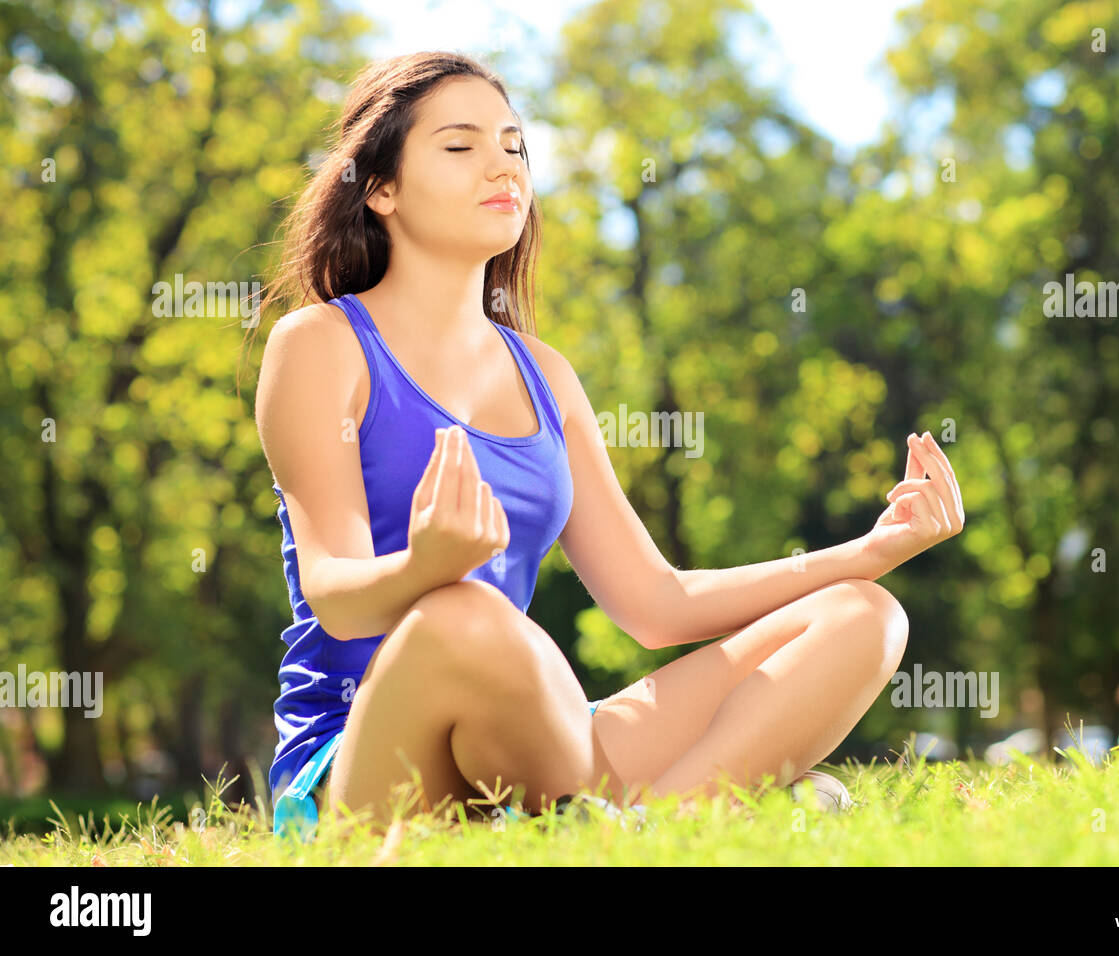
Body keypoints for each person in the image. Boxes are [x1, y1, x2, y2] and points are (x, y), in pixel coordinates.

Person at [249, 51, 965, 837]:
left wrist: (866, 552)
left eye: (515, 146)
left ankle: (648, 834)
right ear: (379, 188)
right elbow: (333, 594)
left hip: (530, 740)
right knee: (464, 615)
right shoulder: (320, 345)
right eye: (461, 147)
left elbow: (655, 606)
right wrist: (425, 568)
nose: (503, 166)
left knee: (864, 617)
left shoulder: (546, 375)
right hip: (357, 763)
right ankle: (661, 814)